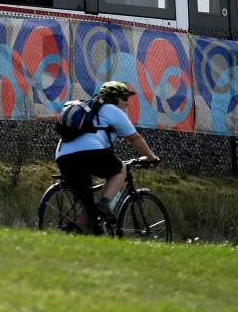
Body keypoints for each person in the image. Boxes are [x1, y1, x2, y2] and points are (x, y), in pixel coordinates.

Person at [55, 81, 160, 233]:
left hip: (63, 156)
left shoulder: (92, 109)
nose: (126, 103)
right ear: (115, 98)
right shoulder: (111, 109)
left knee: (84, 202)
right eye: (124, 98)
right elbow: (135, 138)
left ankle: (79, 235)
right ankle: (104, 204)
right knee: (119, 169)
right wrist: (151, 157)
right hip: (89, 152)